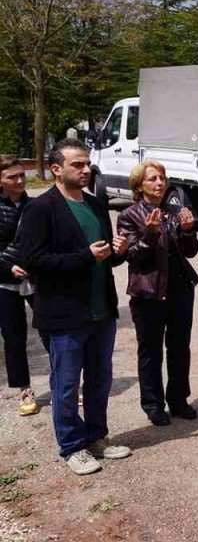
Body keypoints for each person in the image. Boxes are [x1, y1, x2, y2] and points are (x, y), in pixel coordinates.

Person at [17, 139, 130, 475]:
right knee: (66, 386)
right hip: (64, 314)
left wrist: (118, 250)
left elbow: (106, 258)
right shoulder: (41, 208)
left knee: (99, 380)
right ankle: (71, 447)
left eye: (87, 164)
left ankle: (97, 436)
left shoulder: (97, 205)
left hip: (101, 310)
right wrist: (85, 257)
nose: (85, 170)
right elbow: (32, 260)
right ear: (56, 168)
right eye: (77, 165)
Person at [117, 161, 198, 426]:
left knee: (179, 348)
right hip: (148, 293)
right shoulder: (129, 215)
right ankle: (153, 405)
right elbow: (133, 256)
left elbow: (190, 252)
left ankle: (178, 399)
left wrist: (188, 232)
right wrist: (150, 233)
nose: (159, 183)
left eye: (162, 178)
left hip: (179, 290)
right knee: (150, 352)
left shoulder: (174, 211)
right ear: (139, 185)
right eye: (152, 179)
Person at [0, 154, 37, 417]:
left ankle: (65, 384)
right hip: (4, 281)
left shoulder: (36, 205)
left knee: (53, 331)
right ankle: (24, 388)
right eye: (12, 176)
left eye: (22, 174)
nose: (20, 180)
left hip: (37, 278)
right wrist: (7, 268)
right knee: (14, 337)